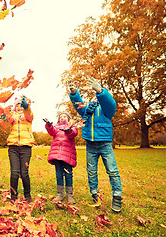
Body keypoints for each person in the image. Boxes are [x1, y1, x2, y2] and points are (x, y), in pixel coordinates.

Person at [68, 77, 123, 212]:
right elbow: (78, 105)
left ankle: (117, 197)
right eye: (94, 95)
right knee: (91, 171)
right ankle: (95, 195)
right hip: (90, 145)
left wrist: (100, 91)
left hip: (104, 144)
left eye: (97, 95)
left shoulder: (107, 109)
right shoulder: (87, 109)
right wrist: (74, 94)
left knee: (112, 170)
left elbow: (111, 103)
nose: (95, 98)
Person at [7, 95, 36, 203]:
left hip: (26, 147)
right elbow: (7, 119)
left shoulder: (28, 116)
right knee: (14, 173)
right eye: (17, 105)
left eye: (21, 105)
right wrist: (9, 111)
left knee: (24, 173)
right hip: (13, 147)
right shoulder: (12, 116)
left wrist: (27, 107)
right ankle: (13, 196)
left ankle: (27, 195)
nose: (19, 107)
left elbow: (30, 114)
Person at [44, 112, 78, 204]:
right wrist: (48, 125)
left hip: (68, 155)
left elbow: (73, 134)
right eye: (61, 117)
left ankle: (69, 195)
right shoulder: (56, 128)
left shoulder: (72, 127)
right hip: (57, 156)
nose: (63, 118)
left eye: (65, 116)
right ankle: (60, 194)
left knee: (68, 175)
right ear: (58, 120)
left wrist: (68, 130)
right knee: (59, 174)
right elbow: (52, 132)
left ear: (69, 119)